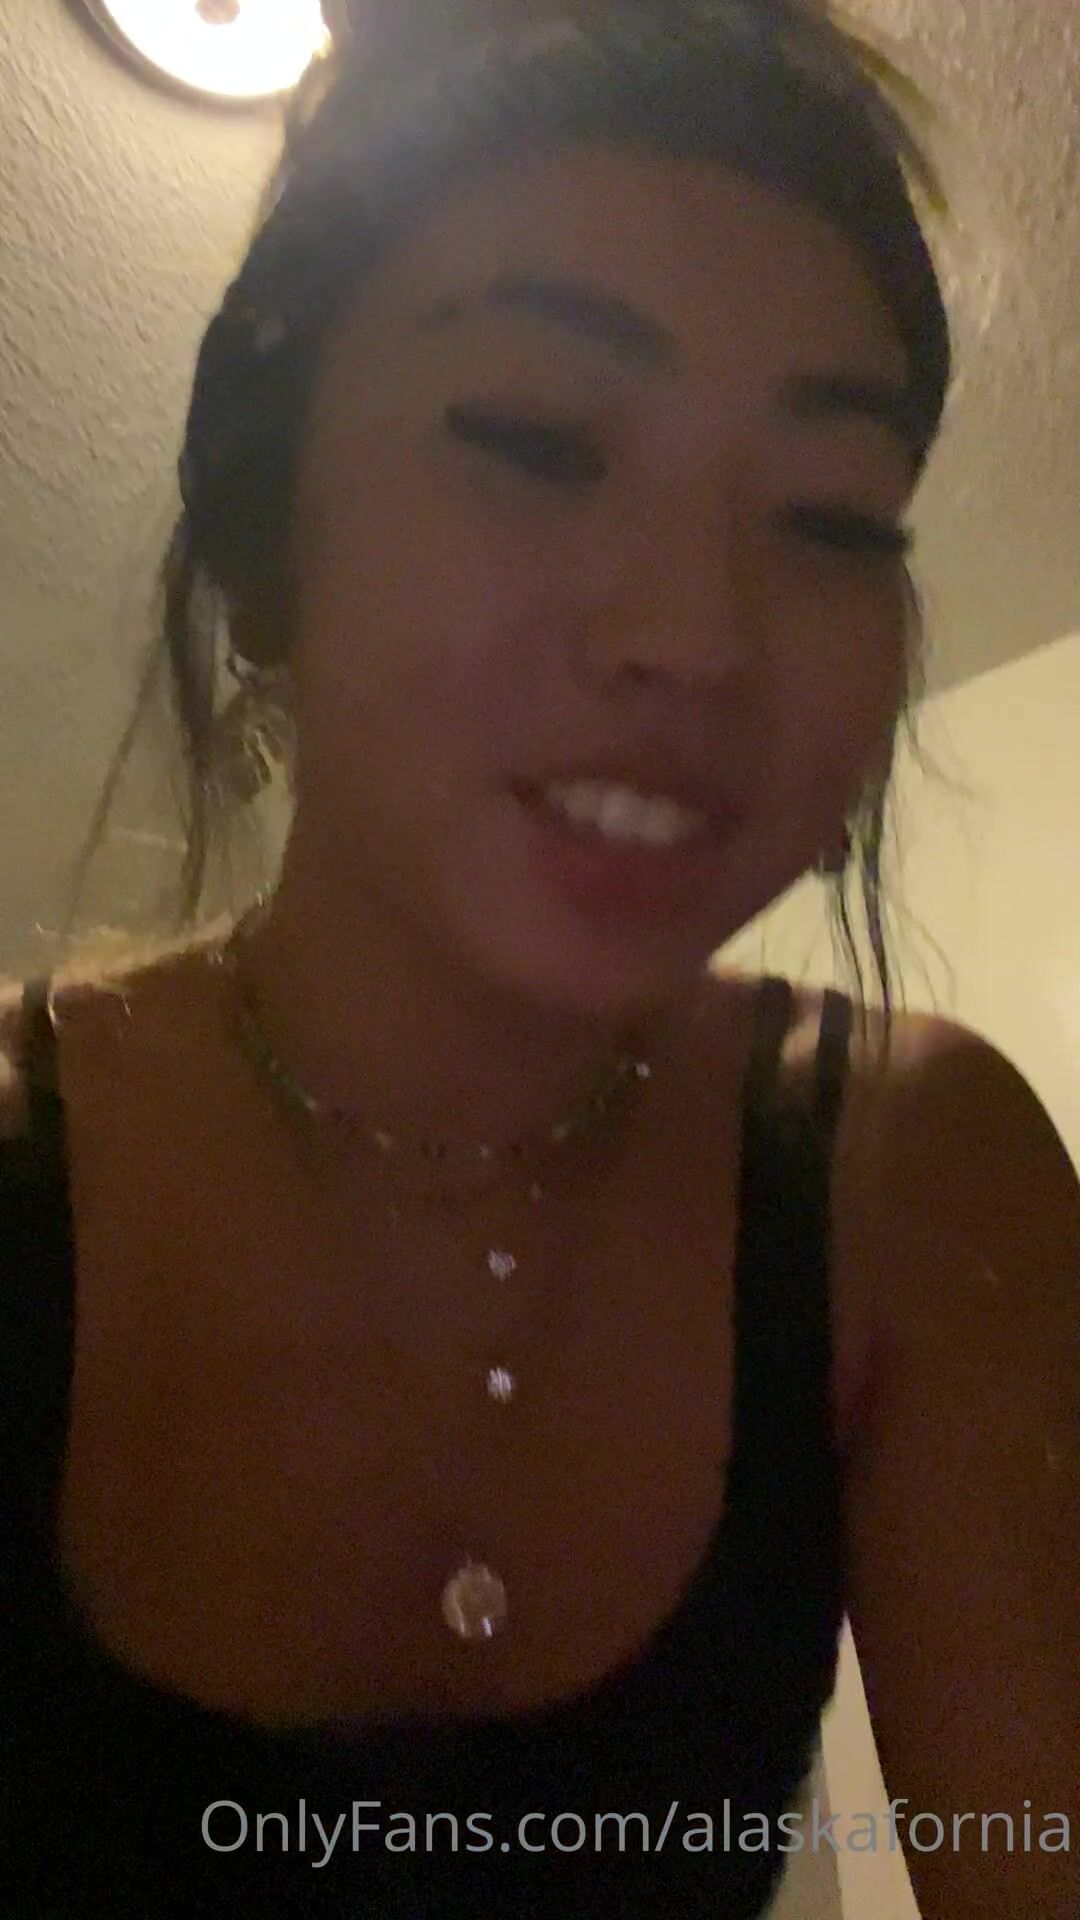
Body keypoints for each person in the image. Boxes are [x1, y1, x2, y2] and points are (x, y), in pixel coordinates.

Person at [2, 3, 1076, 1915]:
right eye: (537, 439)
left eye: (832, 519)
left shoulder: (908, 1180)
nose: (700, 637)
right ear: (263, 531)